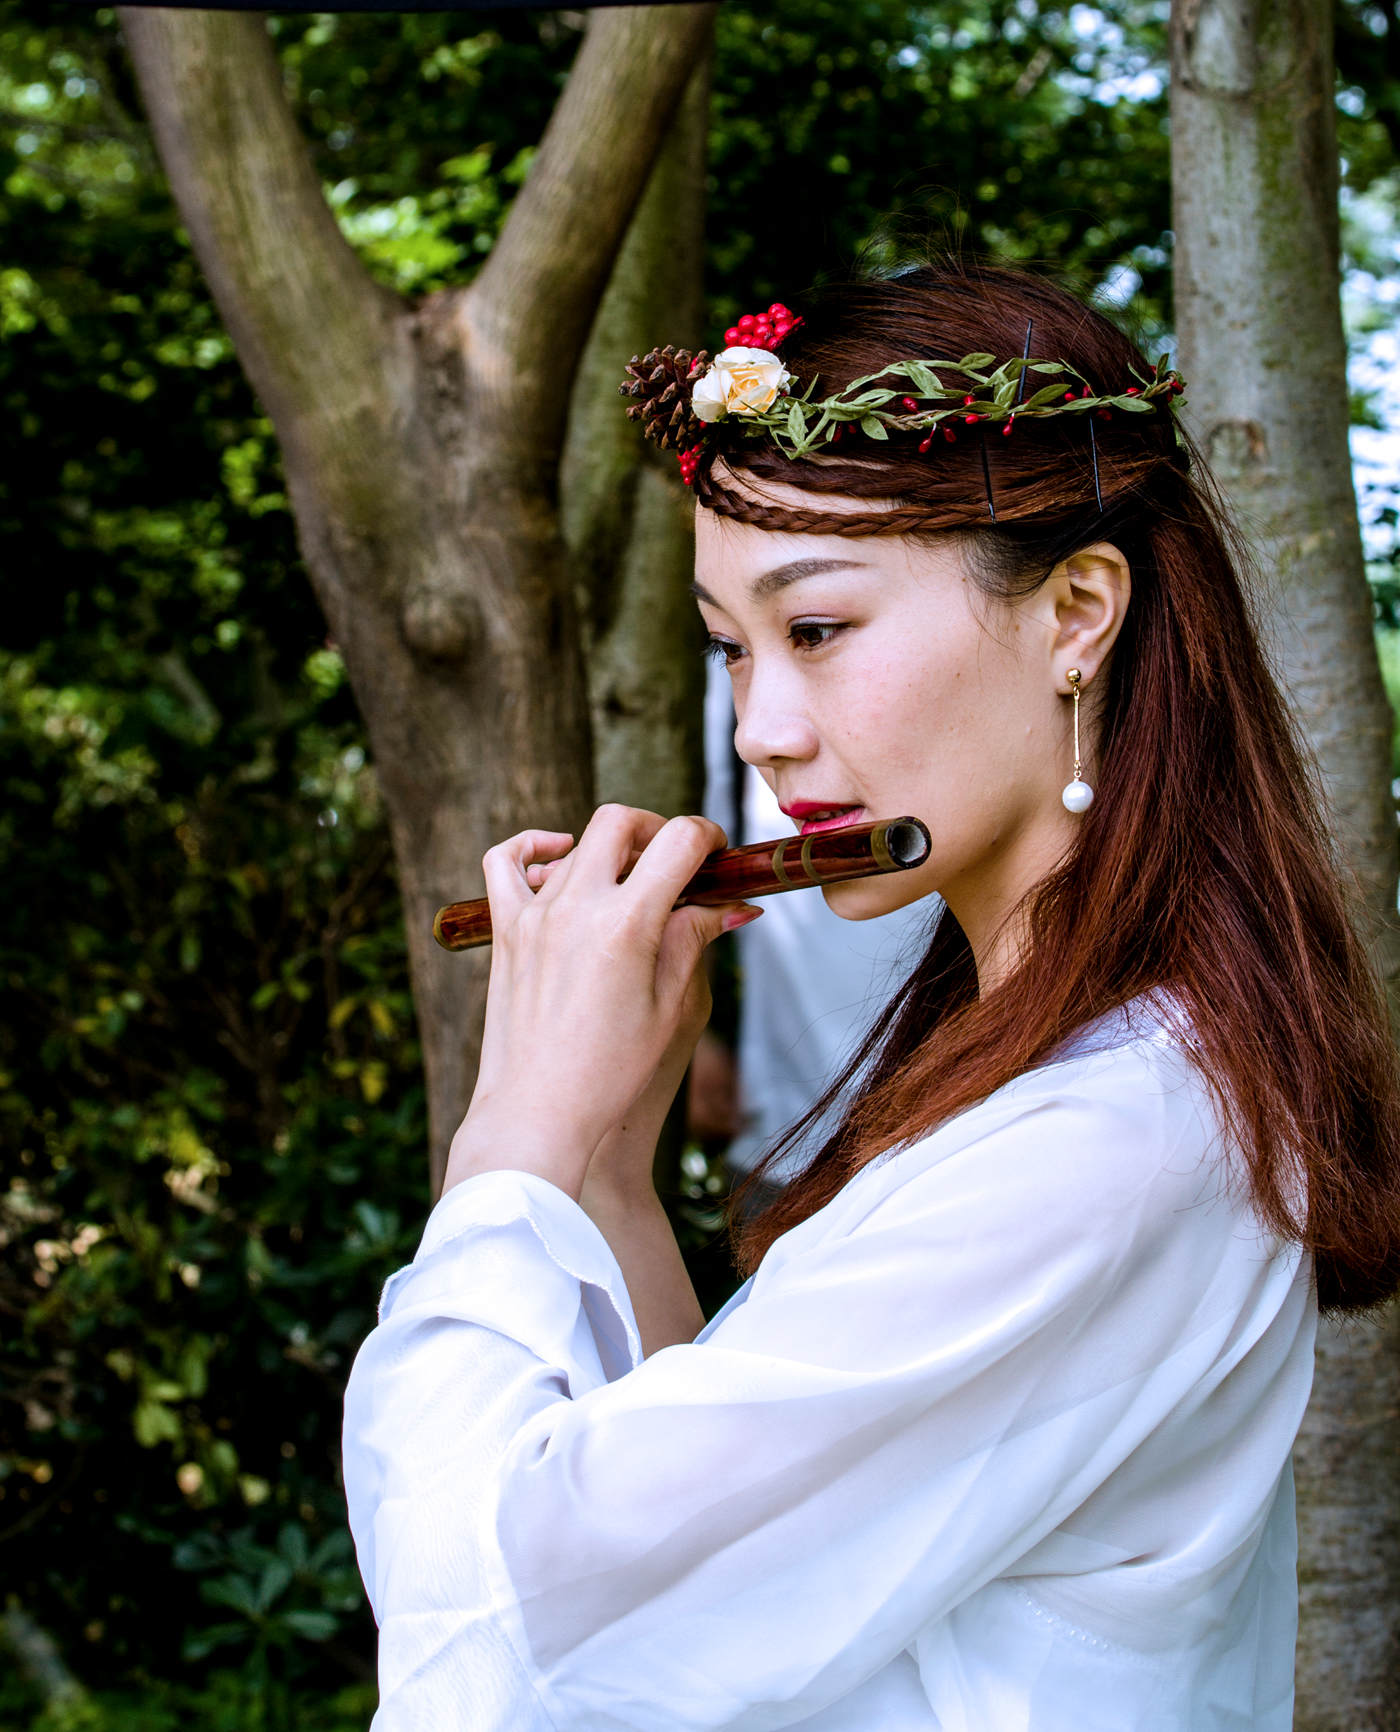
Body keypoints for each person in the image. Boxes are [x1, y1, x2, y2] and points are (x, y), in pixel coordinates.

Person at [341, 260, 1400, 1731]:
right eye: (731, 648)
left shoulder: (1104, 1147)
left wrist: (508, 1140)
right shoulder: (1059, 1072)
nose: (761, 731)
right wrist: (610, 1173)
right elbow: (722, 1547)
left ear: (1077, 613)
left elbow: (505, 1626)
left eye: (817, 629)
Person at [694, 663, 934, 1199]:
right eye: (730, 648)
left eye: (816, 632)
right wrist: (697, 1043)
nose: (754, 741)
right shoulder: (736, 705)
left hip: (948, 1141)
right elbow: (698, 881)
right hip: (782, 1137)